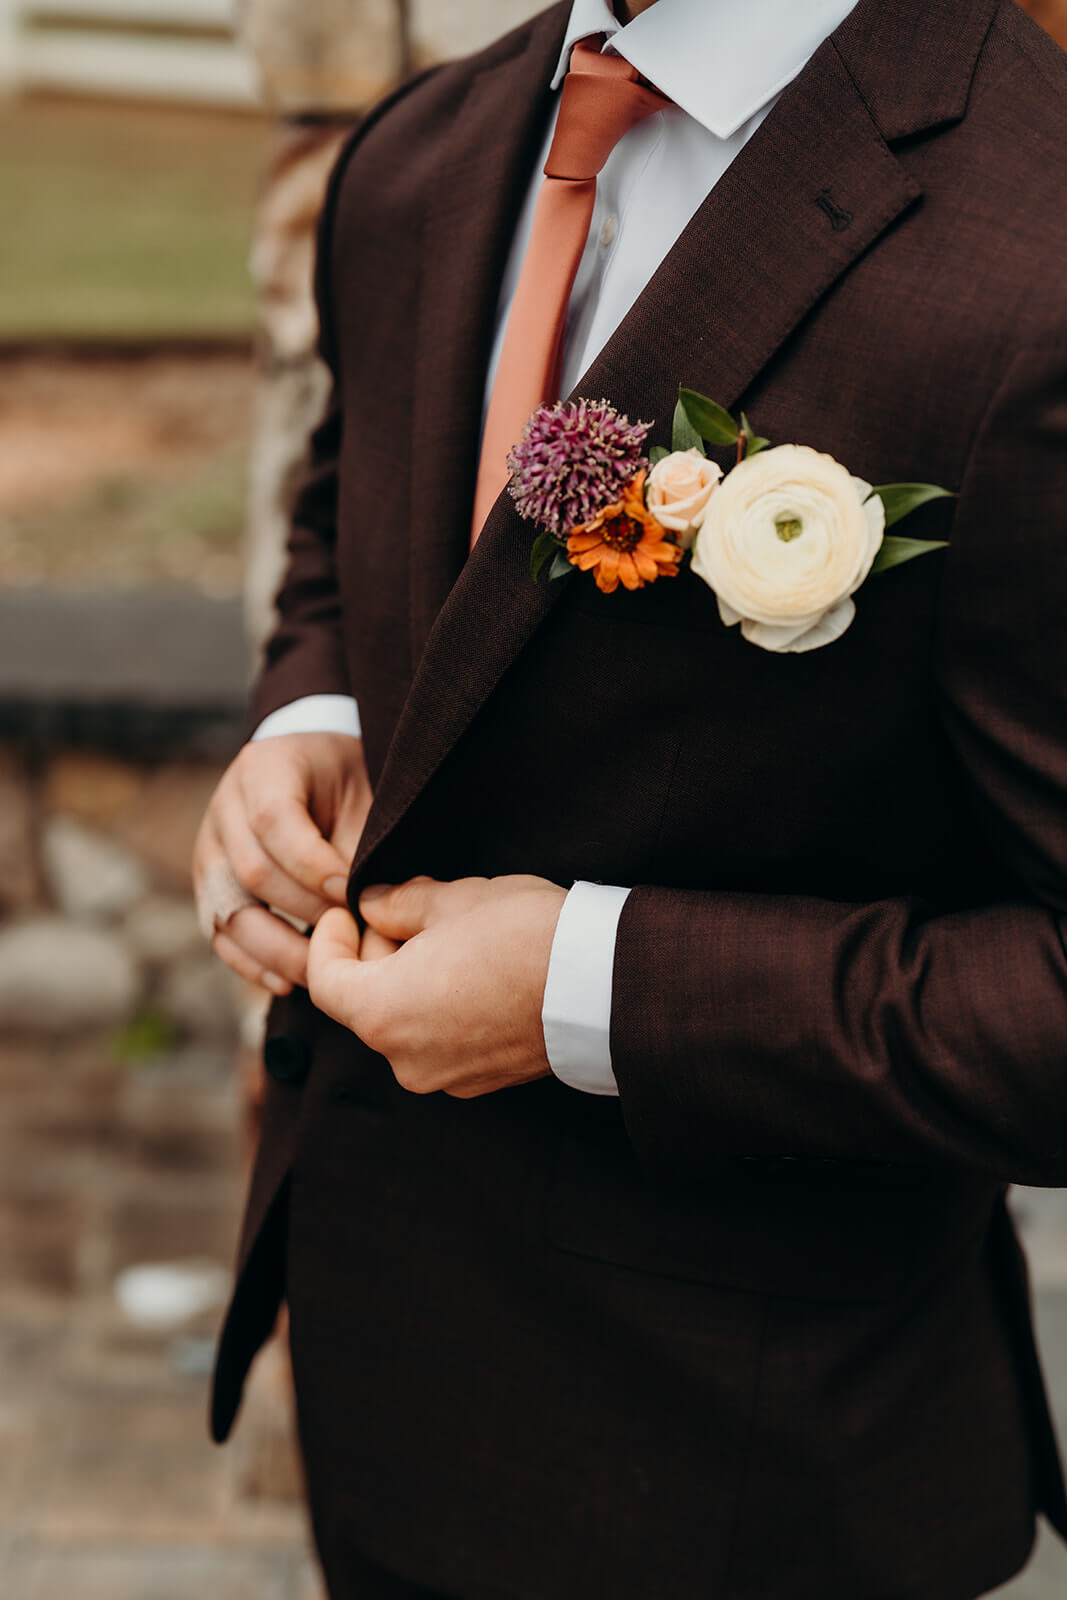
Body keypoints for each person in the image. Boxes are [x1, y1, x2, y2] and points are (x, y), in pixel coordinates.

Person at [196, 0, 1067, 1594]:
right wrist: (305, 717)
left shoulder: (1035, 246)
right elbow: (346, 518)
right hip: (382, 1398)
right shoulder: (420, 158)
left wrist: (584, 992)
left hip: (754, 1484)